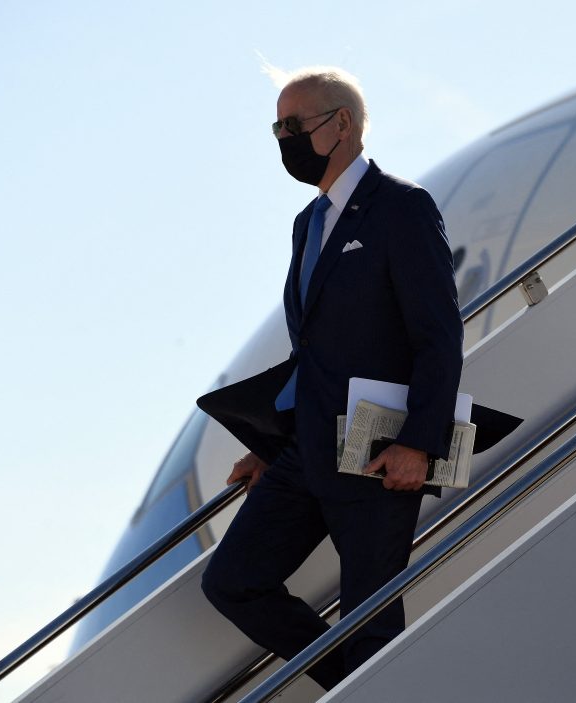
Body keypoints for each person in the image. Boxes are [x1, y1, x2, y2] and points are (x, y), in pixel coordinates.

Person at [200, 66, 463, 692]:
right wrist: (274, 447)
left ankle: (371, 680)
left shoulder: (401, 207)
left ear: (341, 123)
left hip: (378, 450)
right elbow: (312, 351)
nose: (284, 139)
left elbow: (438, 335)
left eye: (294, 125)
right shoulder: (307, 223)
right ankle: (361, 684)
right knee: (233, 580)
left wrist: (421, 443)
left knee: (371, 619)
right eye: (277, 128)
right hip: (308, 449)